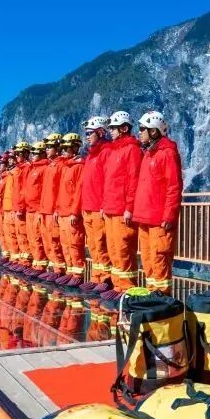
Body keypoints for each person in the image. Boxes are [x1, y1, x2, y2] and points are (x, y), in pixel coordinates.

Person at [134, 111, 182, 295]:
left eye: (142, 129)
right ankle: (151, 294)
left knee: (159, 258)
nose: (139, 132)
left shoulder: (167, 153)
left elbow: (174, 187)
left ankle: (162, 296)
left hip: (159, 220)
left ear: (153, 131)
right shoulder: (148, 154)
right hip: (145, 217)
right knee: (147, 259)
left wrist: (169, 215)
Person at [100, 111, 142, 302]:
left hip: (121, 210)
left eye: (114, 128)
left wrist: (129, 207)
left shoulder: (132, 149)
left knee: (123, 249)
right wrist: (104, 205)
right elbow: (108, 182)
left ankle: (127, 288)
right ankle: (117, 285)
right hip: (110, 208)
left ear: (124, 128)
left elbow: (134, 180)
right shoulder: (114, 151)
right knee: (113, 249)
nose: (111, 131)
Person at [78, 116, 112, 293]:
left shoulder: (106, 152)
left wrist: (104, 205)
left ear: (100, 132)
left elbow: (108, 182)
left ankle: (106, 278)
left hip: (98, 207)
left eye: (89, 133)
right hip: (88, 207)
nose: (87, 137)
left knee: (101, 243)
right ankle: (96, 276)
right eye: (86, 133)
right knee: (92, 244)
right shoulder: (91, 154)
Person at [54, 133, 85, 287]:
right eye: (63, 149)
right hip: (62, 212)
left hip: (71, 213)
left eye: (66, 148)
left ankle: (78, 274)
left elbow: (79, 191)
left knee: (75, 243)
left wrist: (75, 212)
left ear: (75, 148)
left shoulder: (79, 166)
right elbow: (61, 191)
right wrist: (57, 209)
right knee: (65, 243)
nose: (63, 151)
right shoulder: (66, 167)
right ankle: (70, 271)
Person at [38, 133, 66, 281]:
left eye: (49, 146)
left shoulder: (60, 165)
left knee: (55, 240)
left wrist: (57, 208)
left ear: (57, 147)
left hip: (52, 210)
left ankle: (59, 269)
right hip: (45, 209)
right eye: (46, 147)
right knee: (47, 240)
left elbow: (60, 189)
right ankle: (53, 267)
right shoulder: (50, 165)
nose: (47, 149)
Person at [23, 141, 49, 276]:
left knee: (38, 237)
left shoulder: (44, 169)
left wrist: (41, 208)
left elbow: (45, 190)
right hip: (30, 209)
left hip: (38, 209)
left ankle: (41, 265)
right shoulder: (33, 169)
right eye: (32, 153)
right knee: (32, 237)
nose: (32, 155)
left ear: (42, 154)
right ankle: (36, 263)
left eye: (35, 153)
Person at [11, 141, 33, 271]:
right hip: (18, 207)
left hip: (23, 208)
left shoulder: (26, 168)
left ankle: (27, 262)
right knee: (19, 234)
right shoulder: (20, 169)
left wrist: (20, 207)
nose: (16, 157)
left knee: (25, 235)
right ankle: (23, 261)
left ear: (25, 154)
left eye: (18, 154)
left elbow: (24, 190)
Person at [1, 151, 20, 268]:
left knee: (15, 234)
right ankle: (13, 258)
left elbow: (17, 192)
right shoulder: (9, 174)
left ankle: (18, 260)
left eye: (12, 158)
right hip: (7, 208)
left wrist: (16, 208)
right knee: (9, 234)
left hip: (12, 208)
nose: (9, 160)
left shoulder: (16, 172)